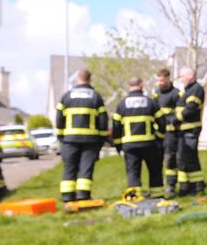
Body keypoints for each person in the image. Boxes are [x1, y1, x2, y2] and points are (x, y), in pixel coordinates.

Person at [55, 70, 108, 202]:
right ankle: (83, 196)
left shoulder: (66, 96)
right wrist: (101, 139)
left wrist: (61, 137)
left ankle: (67, 196)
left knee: (69, 167)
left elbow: (59, 119)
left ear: (78, 79)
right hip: (90, 140)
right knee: (86, 168)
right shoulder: (96, 97)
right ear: (90, 80)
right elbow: (103, 121)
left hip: (69, 140)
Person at [111, 76, 165, 198]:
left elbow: (116, 126)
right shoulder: (151, 102)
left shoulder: (122, 104)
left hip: (130, 146)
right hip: (149, 144)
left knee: (133, 172)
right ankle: (158, 196)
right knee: (155, 171)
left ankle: (135, 198)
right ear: (141, 85)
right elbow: (162, 122)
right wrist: (159, 138)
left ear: (129, 86)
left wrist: (118, 145)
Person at [175, 66, 205, 195]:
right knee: (183, 158)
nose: (181, 79)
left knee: (190, 157)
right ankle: (186, 187)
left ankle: (197, 186)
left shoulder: (196, 89)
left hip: (191, 129)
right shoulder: (188, 90)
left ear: (190, 76)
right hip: (184, 130)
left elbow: (191, 107)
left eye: (182, 76)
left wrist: (177, 118)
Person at [153, 68, 180, 198]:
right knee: (158, 159)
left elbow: (180, 113)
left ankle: (171, 185)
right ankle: (158, 186)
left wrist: (170, 120)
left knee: (170, 159)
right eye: (158, 80)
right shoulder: (156, 94)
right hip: (159, 132)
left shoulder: (176, 94)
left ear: (168, 78)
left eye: (162, 80)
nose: (160, 83)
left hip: (171, 133)